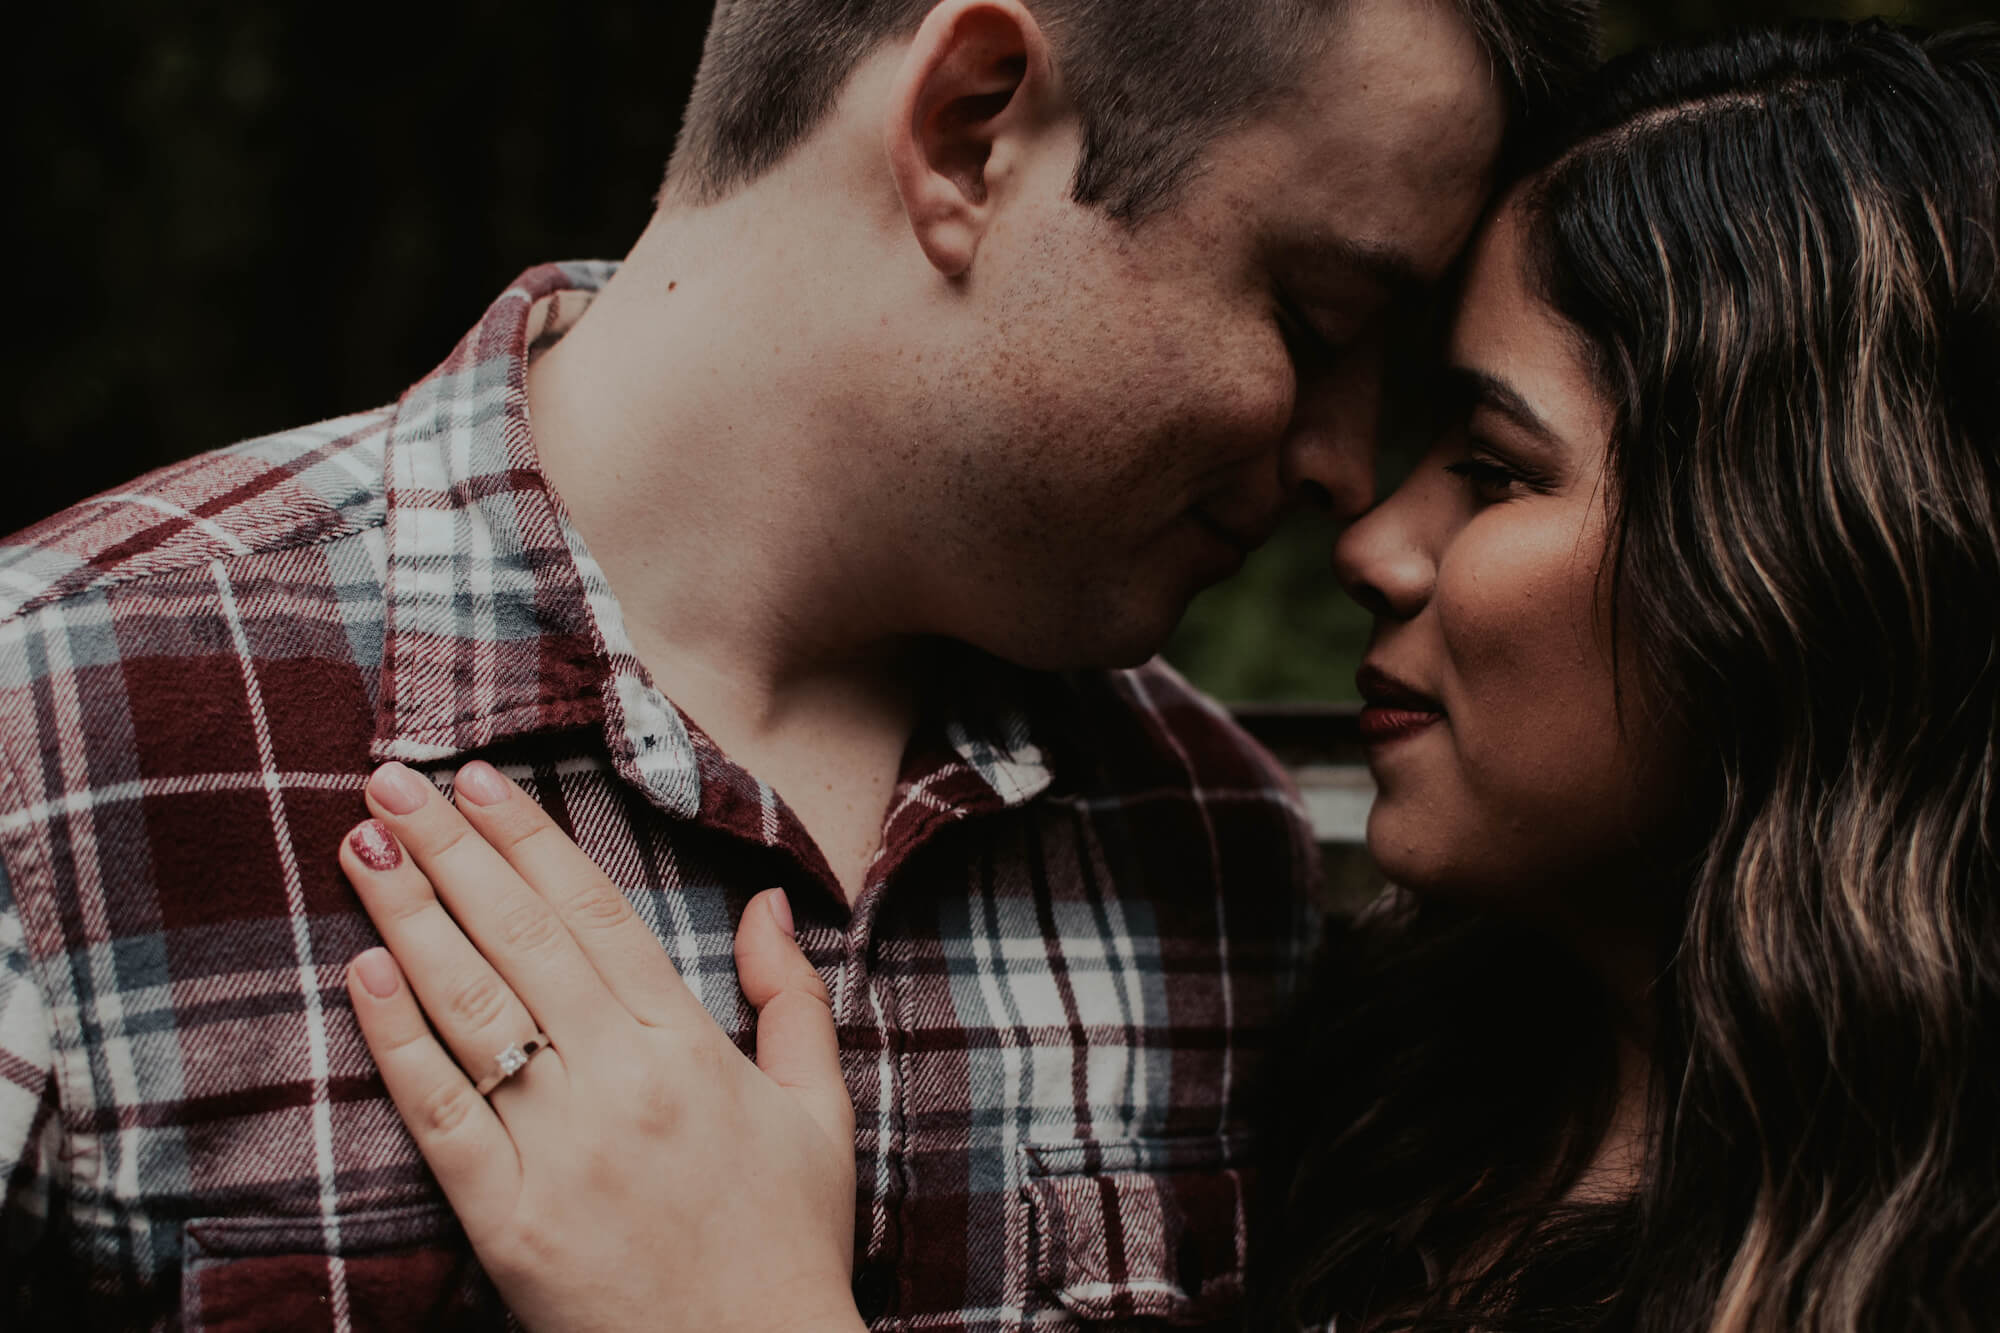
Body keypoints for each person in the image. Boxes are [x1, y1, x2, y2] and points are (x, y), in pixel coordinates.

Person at [327, 16, 2000, 1332]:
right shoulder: (1375, 1080)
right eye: (1318, 323)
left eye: (1491, 466)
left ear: (1802, 575)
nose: (1366, 525)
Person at [0, 0, 1599, 1326]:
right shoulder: (52, 725)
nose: (1343, 466)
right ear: (973, 126)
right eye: (1316, 319)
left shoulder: (1219, 847)